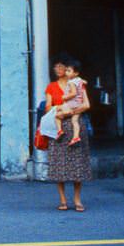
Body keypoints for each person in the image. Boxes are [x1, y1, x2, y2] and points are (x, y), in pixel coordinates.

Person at [45, 56, 92, 212]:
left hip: (76, 126)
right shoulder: (52, 87)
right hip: (58, 128)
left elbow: (86, 105)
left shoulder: (79, 85)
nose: (60, 70)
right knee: (60, 164)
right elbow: (48, 107)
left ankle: (77, 199)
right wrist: (62, 111)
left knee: (78, 164)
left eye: (64, 67)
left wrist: (70, 111)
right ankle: (63, 199)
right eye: (58, 67)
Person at [56, 60, 87, 145]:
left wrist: (65, 97)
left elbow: (73, 93)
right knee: (75, 121)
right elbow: (85, 82)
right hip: (79, 104)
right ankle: (76, 137)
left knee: (57, 115)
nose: (66, 73)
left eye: (69, 71)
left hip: (72, 104)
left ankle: (59, 131)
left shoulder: (71, 82)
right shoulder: (79, 80)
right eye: (66, 70)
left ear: (76, 73)